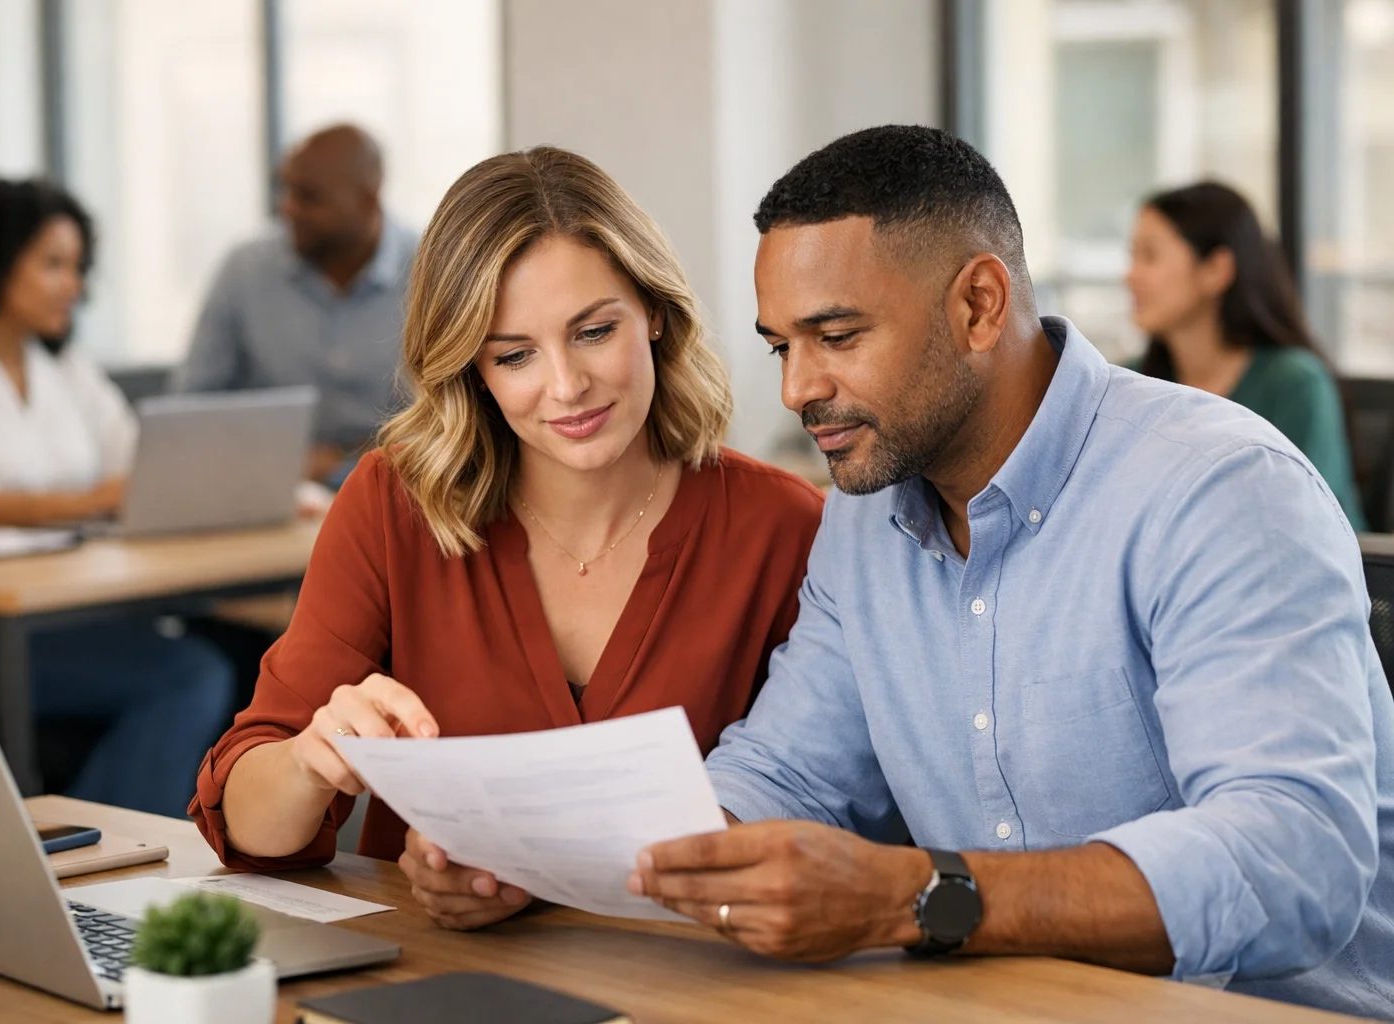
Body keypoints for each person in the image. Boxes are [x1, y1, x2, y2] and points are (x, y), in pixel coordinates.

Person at [630, 127, 1394, 1019]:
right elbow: (789, 778)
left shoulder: (1218, 489)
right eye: (780, 347)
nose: (798, 389)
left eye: (835, 336)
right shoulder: (864, 518)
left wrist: (915, 896)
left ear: (980, 306)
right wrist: (569, 859)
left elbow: (1292, 859)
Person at [190, 146, 825, 932]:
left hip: (694, 985)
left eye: (594, 331)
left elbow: (817, 820)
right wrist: (311, 759)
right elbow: (249, 835)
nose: (565, 386)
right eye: (515, 355)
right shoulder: (393, 504)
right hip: (437, 986)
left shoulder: (783, 527)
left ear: (654, 312)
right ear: (470, 369)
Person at [0, 177, 235, 818]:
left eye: (77, 267)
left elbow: (142, 457)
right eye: (52, 265)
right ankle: (90, 856)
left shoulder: (62, 367)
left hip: (62, 614)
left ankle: (97, 845)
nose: (74, 285)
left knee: (223, 651)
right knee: (190, 675)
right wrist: (91, 501)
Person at [176, 124, 418, 486]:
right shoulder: (245, 271)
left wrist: (350, 459)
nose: (288, 207)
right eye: (285, 189)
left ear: (368, 200)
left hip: (406, 486)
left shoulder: (433, 270)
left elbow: (460, 416)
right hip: (269, 489)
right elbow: (191, 409)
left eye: (309, 197)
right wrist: (279, 459)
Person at [1126, 181, 1366, 528]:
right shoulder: (1133, 383)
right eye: (1131, 256)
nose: (1130, 276)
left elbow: (1306, 524)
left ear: (1216, 270)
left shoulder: (1295, 384)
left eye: (1149, 256)